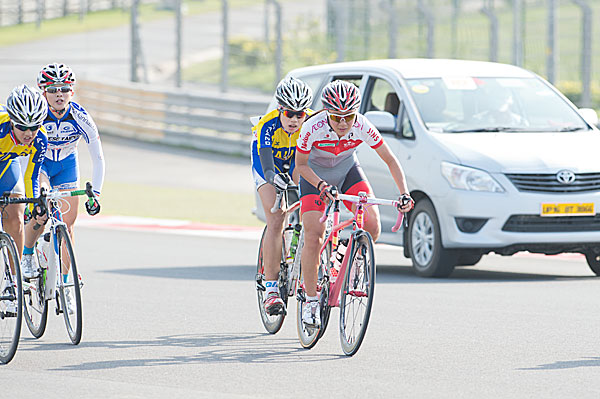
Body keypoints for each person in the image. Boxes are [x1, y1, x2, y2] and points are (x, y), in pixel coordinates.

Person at [295, 80, 414, 327]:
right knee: (314, 235)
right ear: (327, 112)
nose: (342, 123)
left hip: (347, 170)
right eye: (336, 117)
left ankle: (353, 259)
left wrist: (404, 193)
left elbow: (390, 160)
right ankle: (310, 299)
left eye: (348, 117)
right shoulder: (312, 127)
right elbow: (301, 165)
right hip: (314, 176)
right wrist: (320, 186)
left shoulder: (362, 125)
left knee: (372, 225)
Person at [21, 63, 104, 282]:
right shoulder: (37, 114)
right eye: (52, 89)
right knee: (40, 214)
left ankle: (66, 282)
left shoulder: (80, 116)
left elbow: (98, 157)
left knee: (68, 225)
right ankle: (27, 254)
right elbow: (21, 149)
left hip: (67, 166)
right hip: (41, 165)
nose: (59, 94)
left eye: (64, 89)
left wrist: (96, 193)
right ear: (43, 92)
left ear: (72, 92)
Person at [251, 76, 313, 316]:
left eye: (300, 114)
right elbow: (265, 161)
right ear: (280, 109)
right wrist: (272, 178)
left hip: (295, 162)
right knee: (276, 218)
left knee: (308, 197)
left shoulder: (311, 122)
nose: (295, 120)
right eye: (289, 113)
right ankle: (271, 289)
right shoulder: (268, 125)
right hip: (267, 166)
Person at [0, 85, 48, 312]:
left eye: (34, 126)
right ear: (11, 121)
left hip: (8, 165)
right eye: (22, 127)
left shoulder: (40, 140)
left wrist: (34, 202)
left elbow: (31, 175)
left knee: (16, 215)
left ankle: (13, 280)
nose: (29, 133)